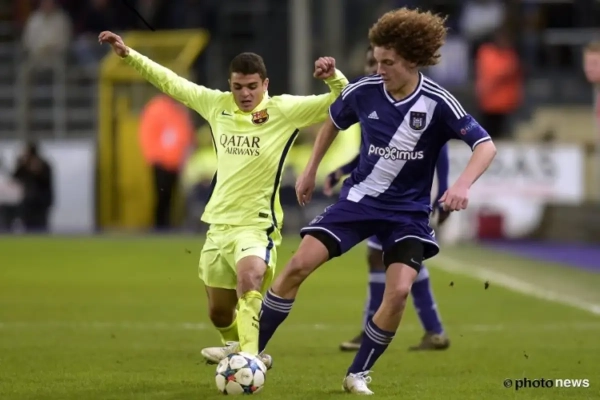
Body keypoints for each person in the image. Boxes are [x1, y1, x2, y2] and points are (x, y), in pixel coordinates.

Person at [256, 8, 496, 394]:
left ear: (412, 61)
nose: (379, 69)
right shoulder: (363, 90)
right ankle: (251, 351)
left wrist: (463, 185)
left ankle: (358, 373)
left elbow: (485, 145)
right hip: (359, 202)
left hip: (408, 214)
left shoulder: (438, 101)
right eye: (377, 60)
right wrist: (310, 169)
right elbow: (333, 121)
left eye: (388, 63)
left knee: (398, 292)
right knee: (299, 264)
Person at [98, 31, 348, 367]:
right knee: (218, 312)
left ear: (265, 84)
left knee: (250, 277)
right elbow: (171, 83)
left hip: (257, 225)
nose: (245, 94)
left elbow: (342, 100)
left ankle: (250, 359)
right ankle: (235, 344)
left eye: (252, 87)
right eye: (238, 87)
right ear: (230, 85)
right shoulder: (217, 106)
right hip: (218, 225)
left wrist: (333, 76)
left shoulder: (284, 110)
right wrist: (129, 55)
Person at [324, 46, 451, 353]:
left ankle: (378, 330)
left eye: (381, 62)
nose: (375, 69)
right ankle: (433, 330)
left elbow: (439, 148)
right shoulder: (370, 97)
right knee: (395, 260)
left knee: (393, 259)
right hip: (378, 193)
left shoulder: (419, 99)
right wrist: (341, 170)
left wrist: (445, 189)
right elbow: (372, 155)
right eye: (371, 63)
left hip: (402, 200)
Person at [12, 142, 54, 232]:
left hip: (41, 203)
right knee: (27, 226)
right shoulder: (24, 165)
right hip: (28, 202)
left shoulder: (44, 165)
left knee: (41, 226)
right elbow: (15, 177)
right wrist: (21, 163)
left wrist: (37, 170)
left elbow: (46, 180)